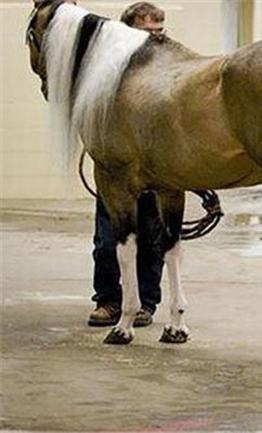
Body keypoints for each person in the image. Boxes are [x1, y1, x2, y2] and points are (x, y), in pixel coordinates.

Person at [87, 2, 167, 328]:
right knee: (108, 239)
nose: (154, 38)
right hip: (119, 168)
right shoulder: (109, 67)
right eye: (146, 32)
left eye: (159, 32)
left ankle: (146, 302)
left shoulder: (170, 66)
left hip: (158, 168)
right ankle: (108, 300)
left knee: (153, 238)